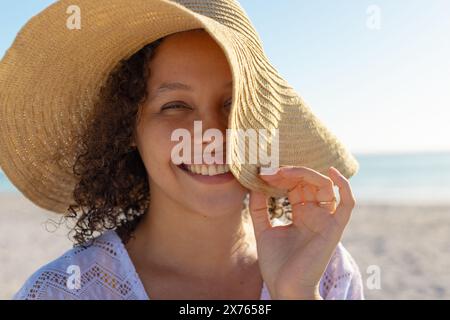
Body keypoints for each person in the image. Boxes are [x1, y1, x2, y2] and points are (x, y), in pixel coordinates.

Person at [0, 0, 363, 300]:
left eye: (234, 103)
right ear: (128, 127)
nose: (211, 135)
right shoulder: (64, 292)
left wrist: (295, 294)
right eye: (175, 106)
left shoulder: (324, 273)